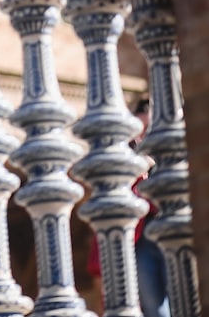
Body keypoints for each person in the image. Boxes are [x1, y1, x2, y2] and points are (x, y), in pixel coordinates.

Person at [86, 97, 170, 317]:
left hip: (170, 229)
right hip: (141, 237)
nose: (142, 137)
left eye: (148, 129)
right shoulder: (126, 157)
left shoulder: (169, 150)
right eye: (139, 130)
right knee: (154, 304)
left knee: (181, 294)